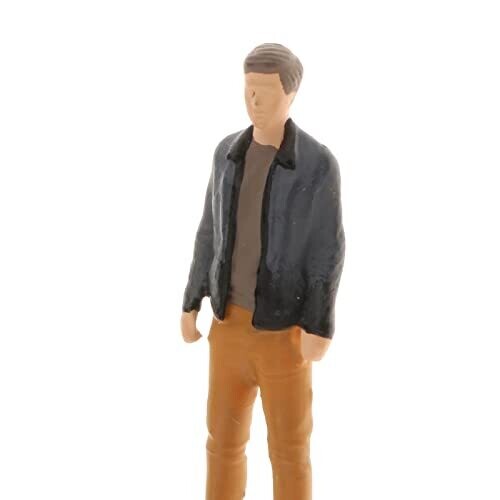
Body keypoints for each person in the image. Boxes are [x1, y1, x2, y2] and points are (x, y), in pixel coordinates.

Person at [180, 42, 346, 500]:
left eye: (266, 92)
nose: (254, 101)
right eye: (249, 89)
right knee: (222, 440)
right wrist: (192, 299)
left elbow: (327, 250)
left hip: (283, 335)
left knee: (289, 449)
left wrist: (319, 325)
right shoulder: (227, 154)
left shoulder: (316, 165)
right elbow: (209, 230)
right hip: (228, 327)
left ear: (291, 94)